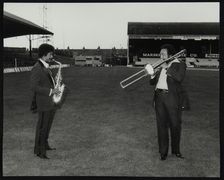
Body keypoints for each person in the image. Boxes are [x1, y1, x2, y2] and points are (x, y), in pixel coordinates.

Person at [145, 44, 188, 161]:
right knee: (161, 126)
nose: (161, 56)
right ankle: (163, 152)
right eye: (160, 54)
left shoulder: (180, 64)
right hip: (159, 97)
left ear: (170, 55)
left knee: (175, 126)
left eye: (163, 54)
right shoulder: (160, 65)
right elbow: (152, 82)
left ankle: (176, 150)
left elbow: (179, 78)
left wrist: (166, 67)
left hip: (172, 98)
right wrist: (152, 74)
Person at [30, 43, 61, 159]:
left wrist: (57, 81)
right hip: (43, 102)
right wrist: (51, 91)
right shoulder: (37, 68)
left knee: (47, 125)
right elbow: (34, 87)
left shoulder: (46, 66)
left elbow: (49, 81)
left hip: (50, 101)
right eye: (50, 54)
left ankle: (45, 144)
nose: (52, 56)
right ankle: (40, 151)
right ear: (44, 55)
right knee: (42, 127)